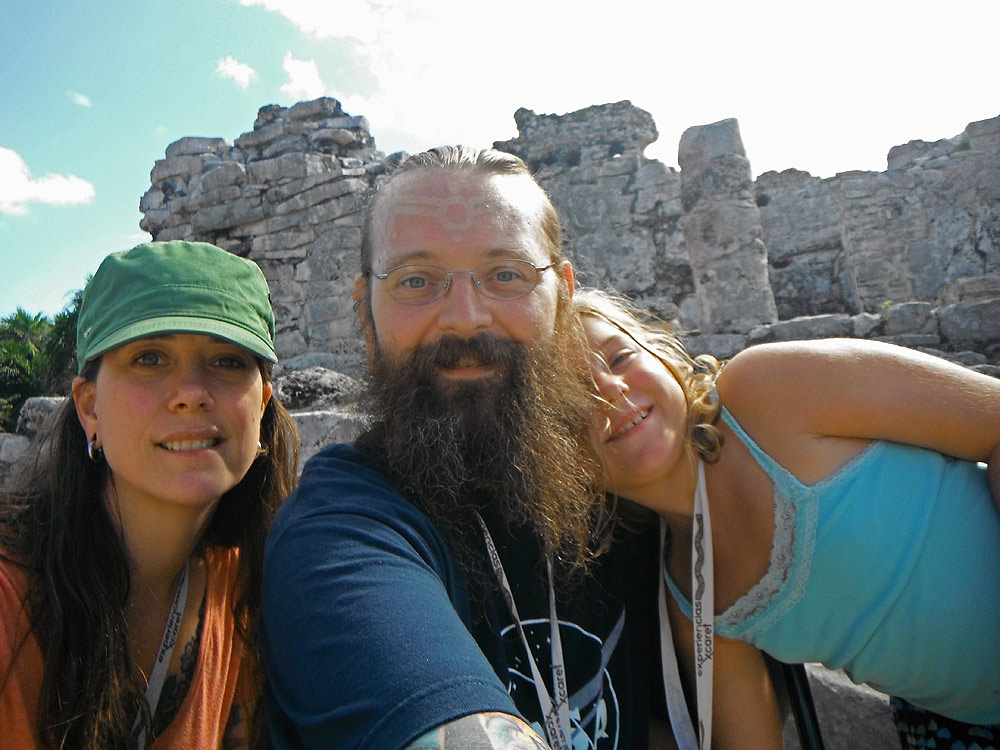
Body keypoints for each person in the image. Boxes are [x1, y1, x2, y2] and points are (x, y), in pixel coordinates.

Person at [262, 147, 668, 750]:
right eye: (416, 281)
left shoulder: (638, 482)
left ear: (562, 297)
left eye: (506, 274)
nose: (465, 317)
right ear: (365, 316)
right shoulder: (341, 532)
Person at [574, 286, 1000, 750]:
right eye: (575, 399)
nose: (611, 390)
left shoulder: (766, 390)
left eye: (619, 358)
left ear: (662, 356)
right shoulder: (693, 594)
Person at [0, 241, 299, 748]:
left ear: (263, 406)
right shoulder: (12, 605)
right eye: (150, 358)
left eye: (226, 361)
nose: (191, 392)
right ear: (89, 408)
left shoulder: (252, 587)